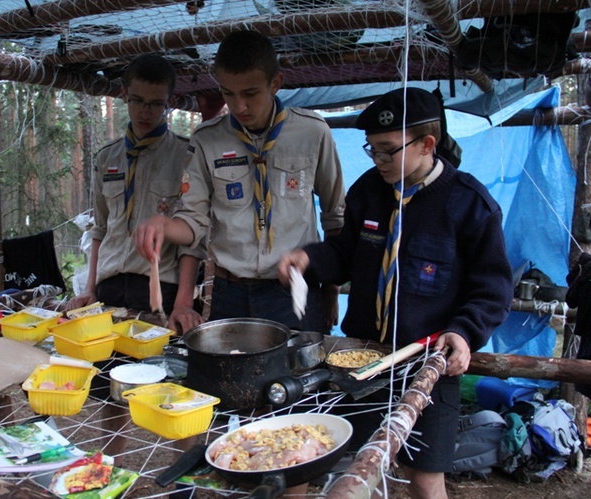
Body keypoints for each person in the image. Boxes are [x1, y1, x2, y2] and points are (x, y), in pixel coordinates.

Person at [278, 87, 513, 498]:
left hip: (426, 364)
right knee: (306, 454)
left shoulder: (469, 204)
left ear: (427, 144)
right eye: (371, 150)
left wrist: (464, 330)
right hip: (359, 359)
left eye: (387, 150)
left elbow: (491, 287)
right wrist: (308, 260)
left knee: (424, 477)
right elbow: (345, 253)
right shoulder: (369, 190)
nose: (378, 161)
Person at [134, 30, 345, 333]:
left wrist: (331, 291)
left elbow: (335, 217)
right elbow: (193, 221)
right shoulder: (207, 140)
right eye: (228, 93)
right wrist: (163, 225)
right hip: (228, 293)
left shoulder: (313, 133)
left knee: (297, 377)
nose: (238, 106)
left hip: (293, 291)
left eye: (250, 93)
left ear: (275, 84)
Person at [66, 53, 205, 334]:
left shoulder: (186, 156)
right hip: (109, 287)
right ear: (124, 95)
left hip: (159, 289)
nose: (145, 112)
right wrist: (89, 290)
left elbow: (192, 239)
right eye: (137, 101)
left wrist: (182, 304)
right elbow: (100, 228)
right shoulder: (107, 157)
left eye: (156, 104)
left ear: (171, 103)